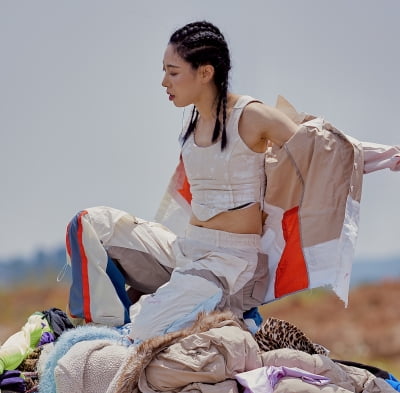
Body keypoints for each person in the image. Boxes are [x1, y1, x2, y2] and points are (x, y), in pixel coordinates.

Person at [65, 20, 399, 342]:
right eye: (164, 70)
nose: (164, 82)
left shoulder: (251, 117)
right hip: (187, 249)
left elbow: (323, 153)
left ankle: (219, 311)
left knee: (141, 332)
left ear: (205, 72)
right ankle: (106, 327)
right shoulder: (194, 124)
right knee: (90, 224)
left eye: (173, 72)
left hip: (229, 264)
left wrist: (388, 156)